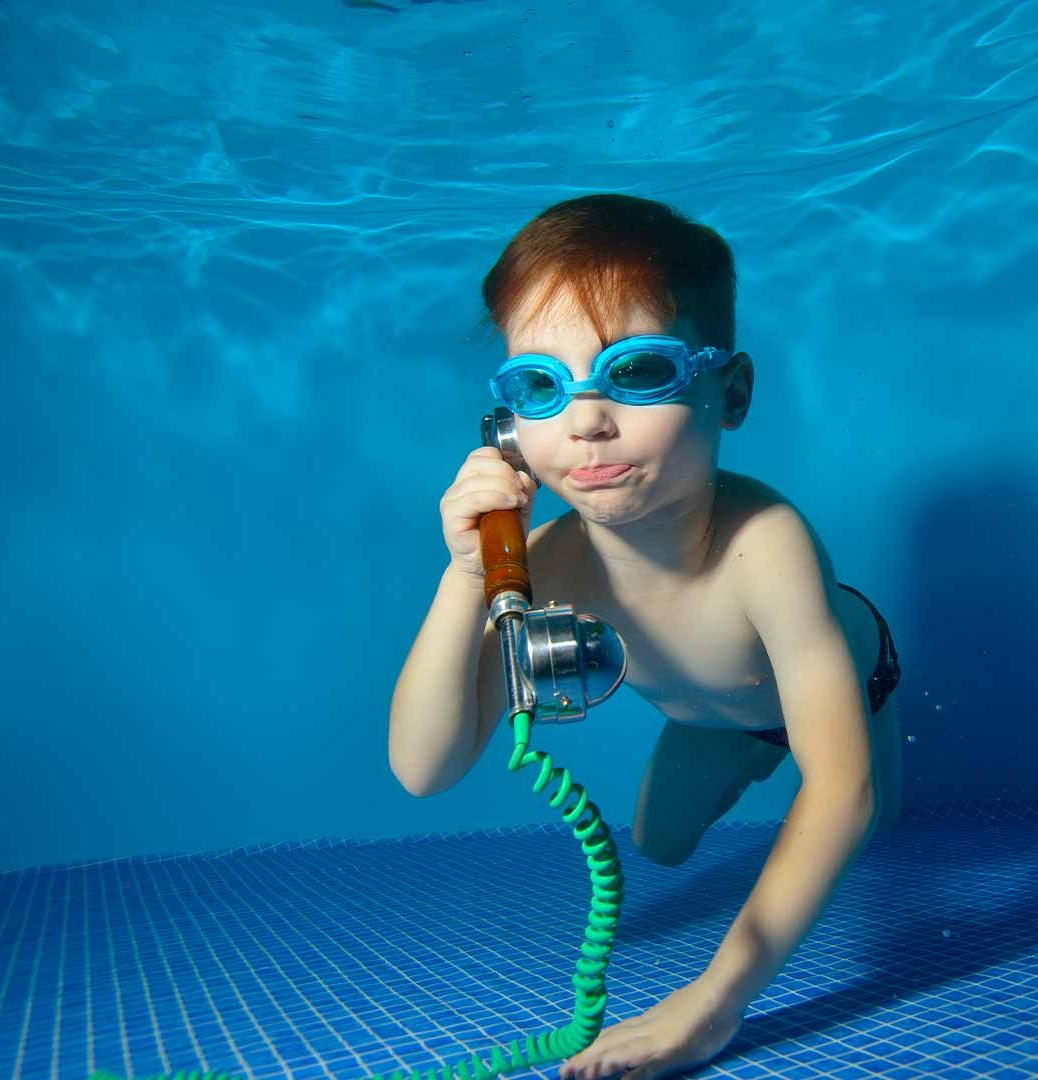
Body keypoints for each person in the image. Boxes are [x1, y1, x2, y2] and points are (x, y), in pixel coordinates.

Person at [387, 193, 903, 1080]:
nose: (586, 421)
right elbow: (423, 769)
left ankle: (769, 754)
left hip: (854, 684)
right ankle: (748, 755)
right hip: (715, 717)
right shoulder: (546, 564)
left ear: (729, 393)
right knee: (658, 844)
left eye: (636, 372)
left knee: (865, 826)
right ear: (508, 428)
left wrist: (711, 1004)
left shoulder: (766, 545)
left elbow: (841, 789)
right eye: (541, 385)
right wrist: (467, 575)